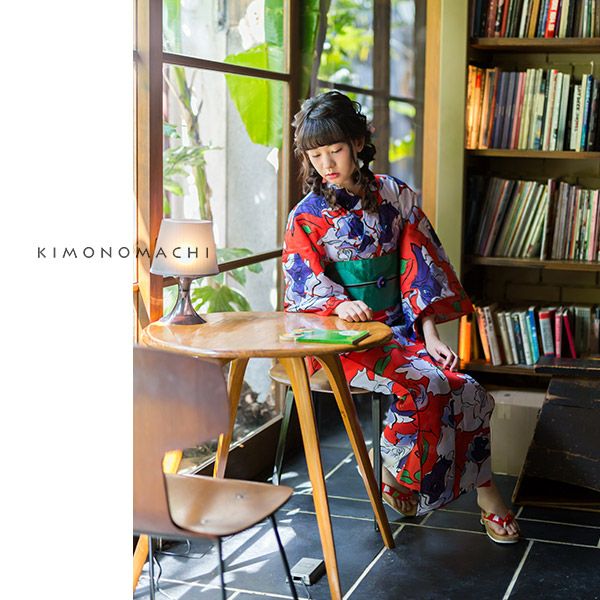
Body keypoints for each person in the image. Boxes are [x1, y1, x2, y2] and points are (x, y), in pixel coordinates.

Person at [282, 91, 520, 544]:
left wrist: (430, 333)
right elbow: (301, 284)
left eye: (335, 149)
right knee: (426, 385)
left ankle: (441, 484)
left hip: (402, 331)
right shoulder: (306, 216)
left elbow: (420, 267)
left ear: (358, 143)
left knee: (469, 390)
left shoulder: (395, 195)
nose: (326, 163)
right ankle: (405, 475)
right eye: (315, 155)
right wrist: (338, 304)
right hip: (342, 341)